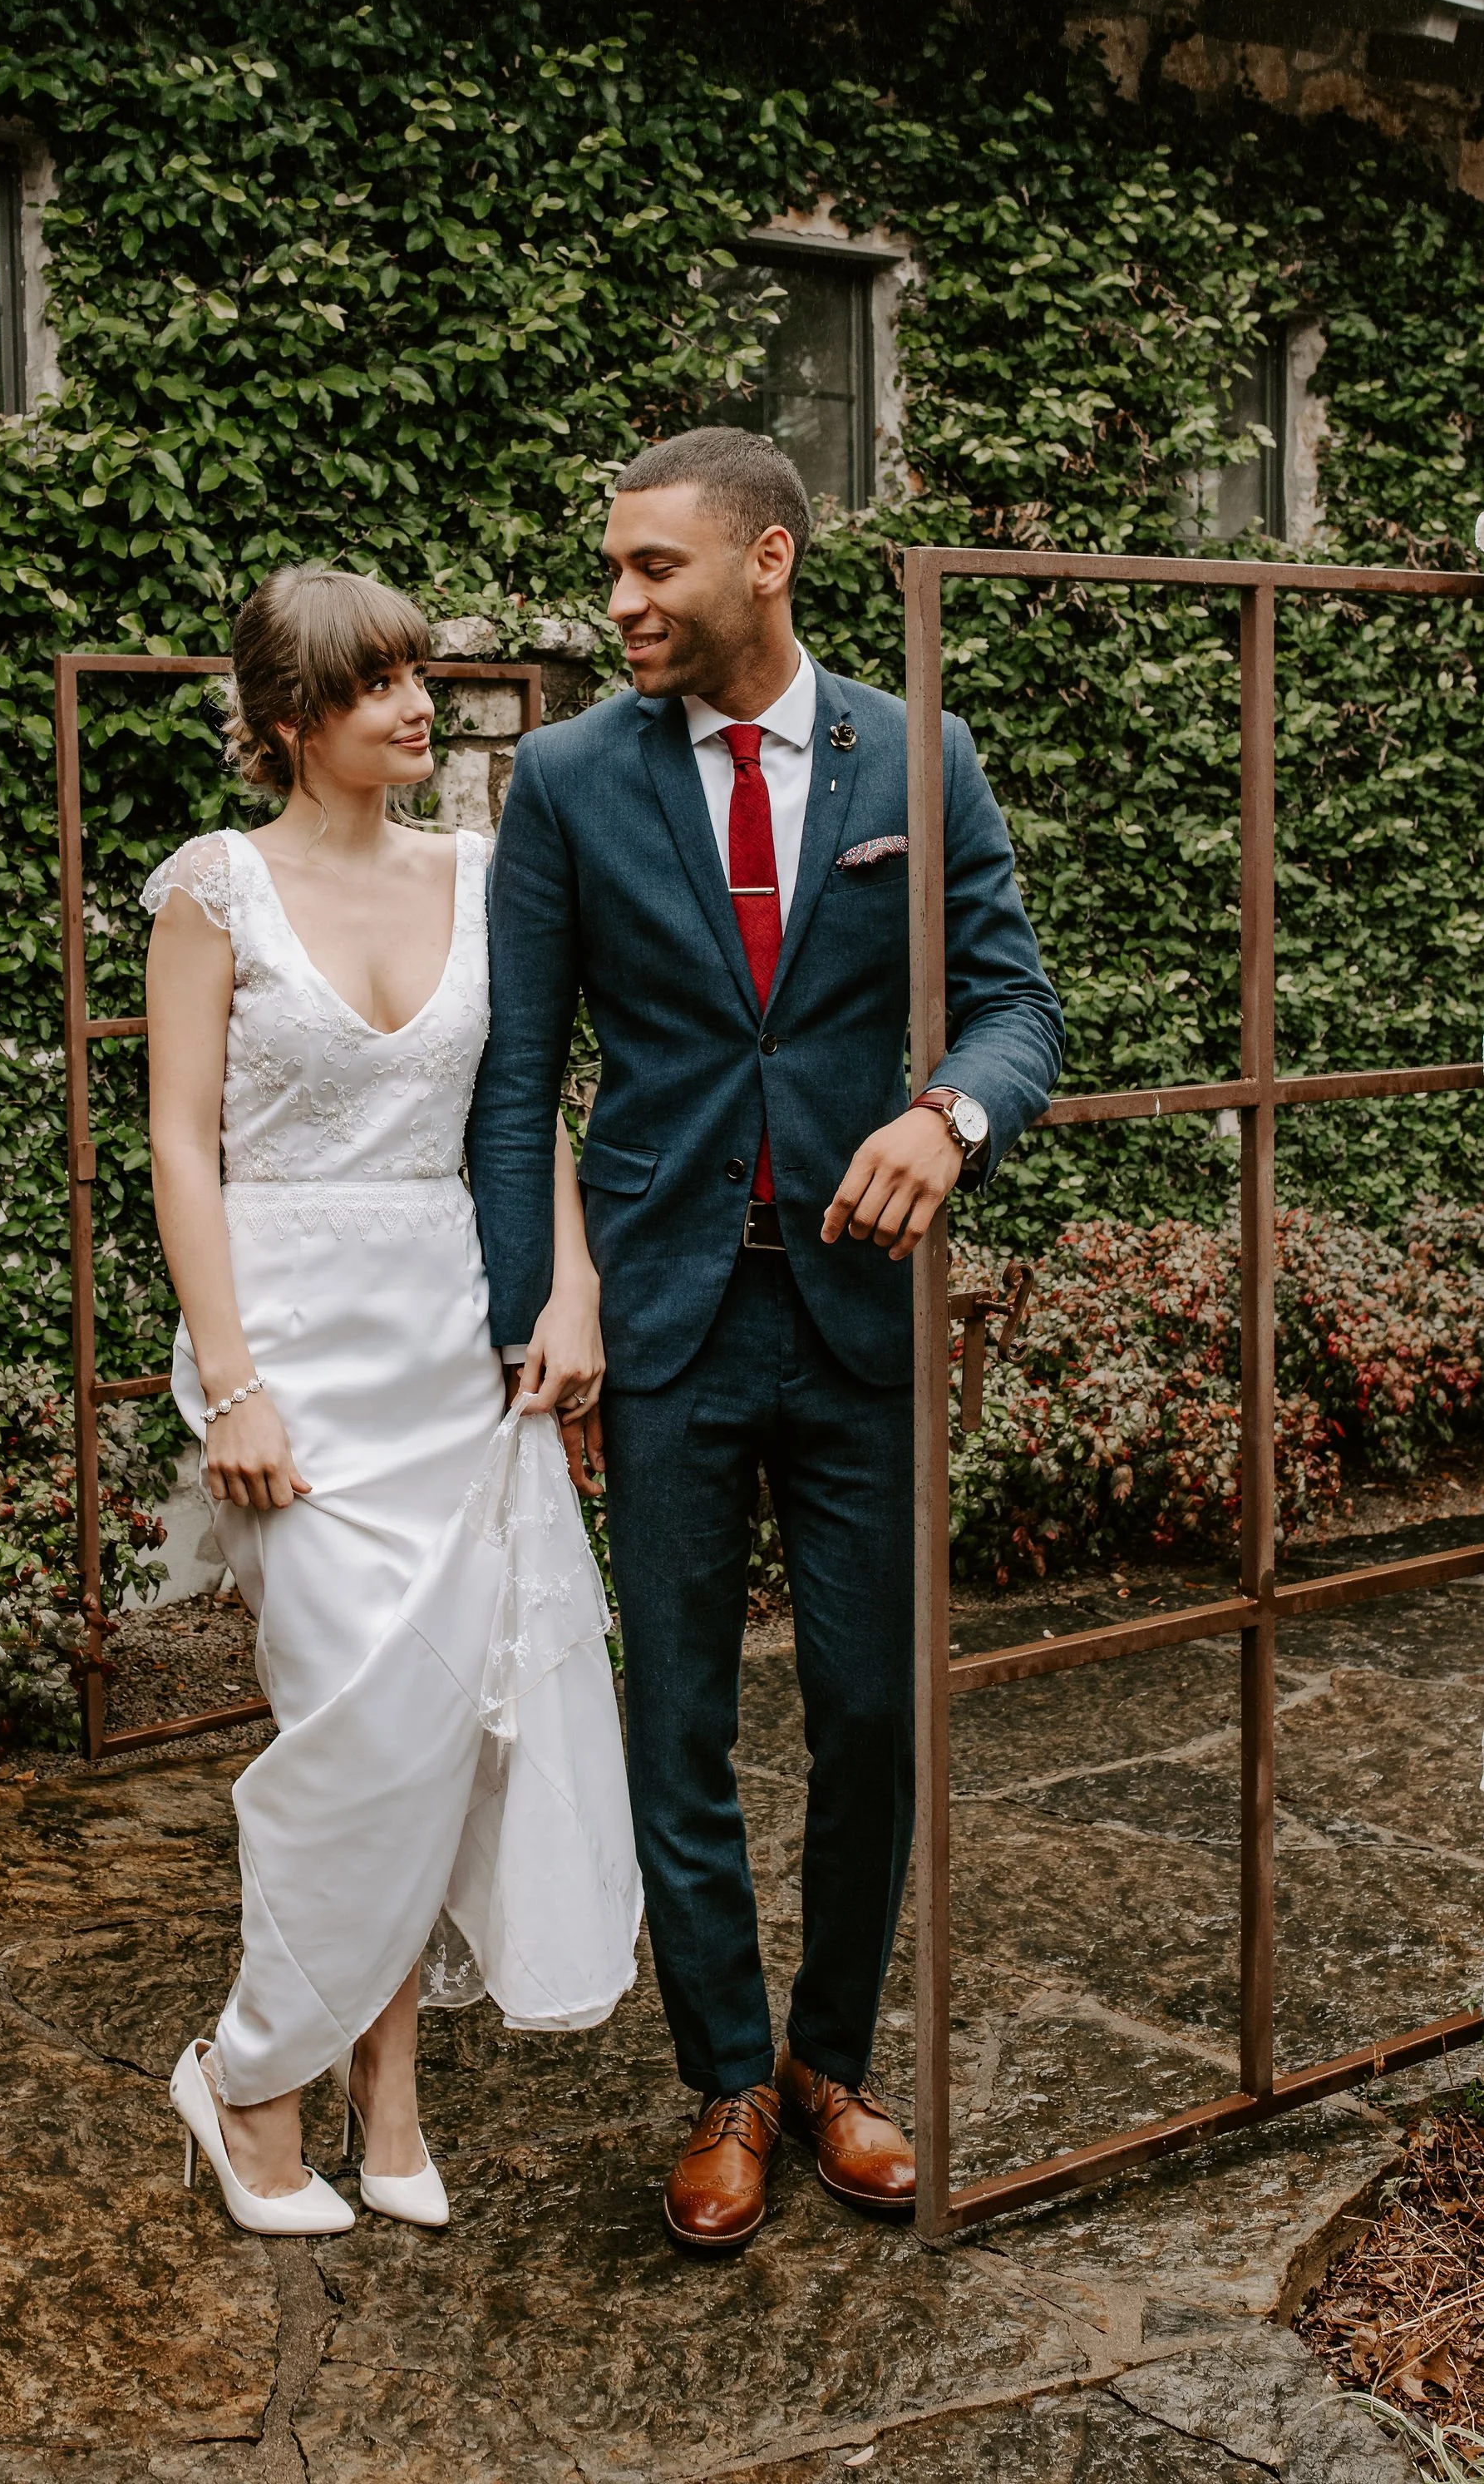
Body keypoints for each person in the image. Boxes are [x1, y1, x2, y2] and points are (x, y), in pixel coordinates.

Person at [467, 428, 1064, 2252]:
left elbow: (1019, 1005)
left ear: (771, 560)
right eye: (616, 568)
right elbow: (516, 1085)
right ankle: (722, 2076)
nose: (622, 601)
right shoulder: (567, 779)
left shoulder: (918, 751)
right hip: (659, 1323)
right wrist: (541, 1312)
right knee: (684, 1727)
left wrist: (946, 1116)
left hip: (853, 1318)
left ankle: (829, 2065)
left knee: (872, 1711)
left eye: (656, 568)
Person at [144, 562, 641, 2239]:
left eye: (421, 675)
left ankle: (393, 2104)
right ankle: (247, 2086)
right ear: (289, 720)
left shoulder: (488, 875)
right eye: (376, 686)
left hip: (451, 1346)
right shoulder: (212, 892)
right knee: (350, 1731)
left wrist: (567, 1290)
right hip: (287, 1354)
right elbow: (179, 1146)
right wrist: (232, 1388)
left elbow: (528, 1109)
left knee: (439, 1725)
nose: (419, 705)